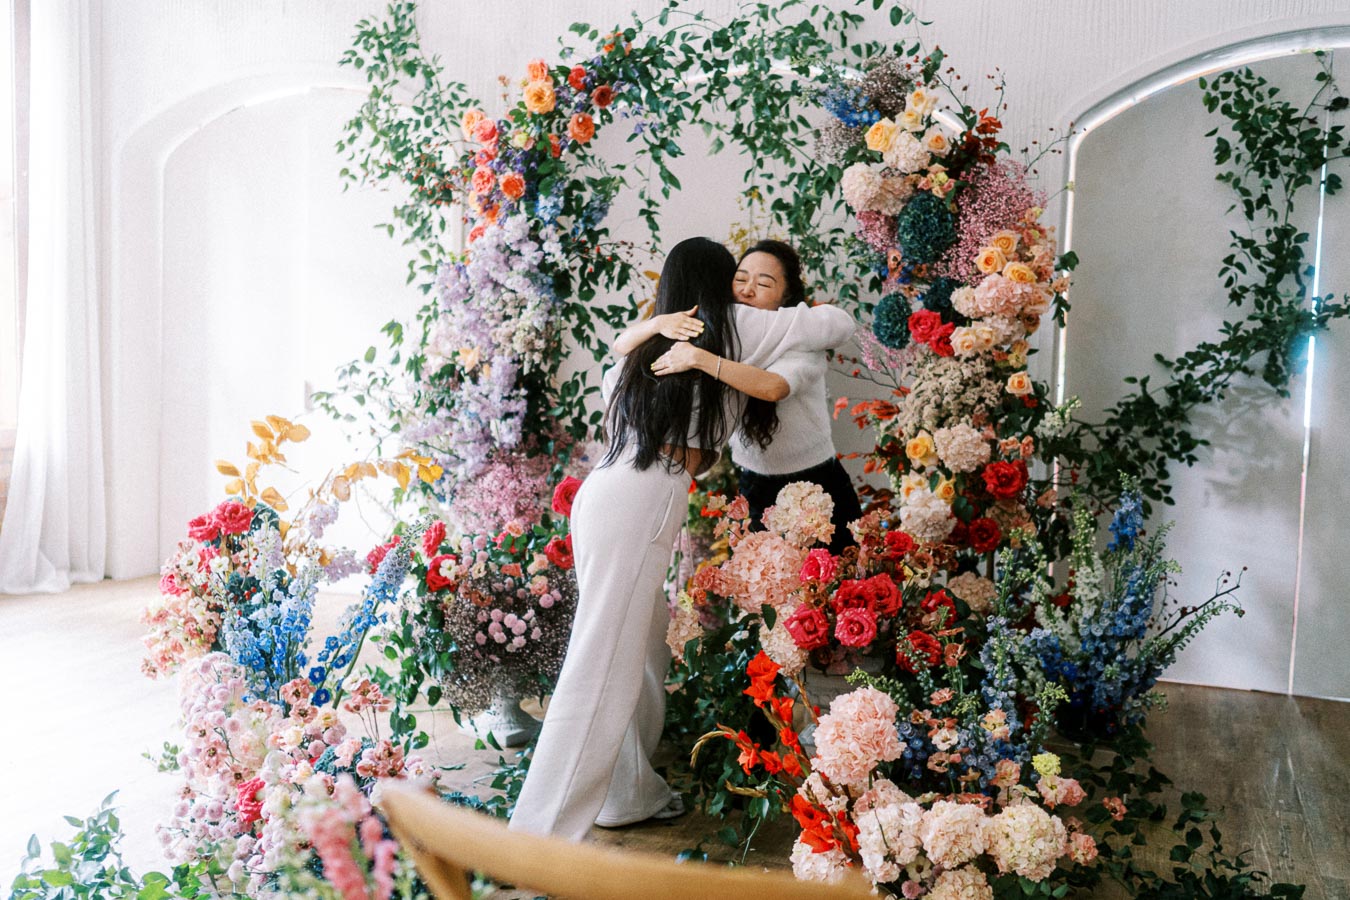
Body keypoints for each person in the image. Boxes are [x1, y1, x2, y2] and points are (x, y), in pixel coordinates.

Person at [507, 237, 855, 842]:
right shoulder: (716, 349)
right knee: (602, 664)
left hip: (601, 491)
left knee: (642, 653)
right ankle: (538, 839)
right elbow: (710, 443)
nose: (741, 295)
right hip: (643, 496)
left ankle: (627, 793)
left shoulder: (643, 347)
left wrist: (659, 329)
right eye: (734, 283)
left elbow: (623, 354)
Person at [652, 239, 864, 555]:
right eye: (740, 280)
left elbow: (773, 387)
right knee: (769, 591)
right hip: (755, 483)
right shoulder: (725, 335)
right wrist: (657, 323)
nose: (748, 290)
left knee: (839, 589)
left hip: (817, 482)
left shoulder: (802, 344)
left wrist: (700, 359)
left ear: (787, 296)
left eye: (764, 283)